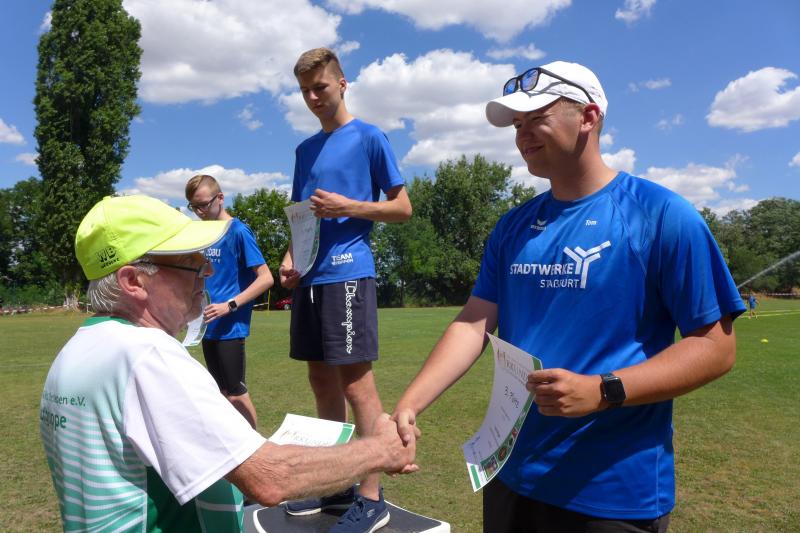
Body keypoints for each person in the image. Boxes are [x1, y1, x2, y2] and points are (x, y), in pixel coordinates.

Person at [392, 61, 746, 532]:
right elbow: (475, 320)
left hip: (610, 492)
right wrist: (411, 403)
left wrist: (603, 390)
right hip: (511, 472)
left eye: (536, 118)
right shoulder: (513, 226)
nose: (522, 135)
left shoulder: (662, 215)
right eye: (516, 125)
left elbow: (716, 347)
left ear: (588, 117)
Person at [40, 194, 418, 533]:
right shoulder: (148, 357)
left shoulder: (76, 351)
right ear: (133, 280)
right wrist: (382, 449)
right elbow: (271, 479)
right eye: (189, 261)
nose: (206, 271)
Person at [278, 47, 412, 532]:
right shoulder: (304, 150)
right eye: (305, 91)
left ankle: (372, 497)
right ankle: (337, 486)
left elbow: (402, 208)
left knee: (357, 385)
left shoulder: (370, 137)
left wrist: (349, 206)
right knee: (321, 380)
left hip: (348, 273)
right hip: (310, 279)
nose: (313, 97)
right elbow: (302, 216)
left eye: (321, 87)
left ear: (342, 83)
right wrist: (290, 257)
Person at [185, 174, 272, 429]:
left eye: (203, 204)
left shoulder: (239, 231)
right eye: (193, 206)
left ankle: (257, 446)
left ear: (220, 198)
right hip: (206, 326)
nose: (199, 212)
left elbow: (266, 278)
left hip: (230, 327)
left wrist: (230, 305)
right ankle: (234, 447)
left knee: (236, 393)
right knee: (221, 394)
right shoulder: (203, 233)